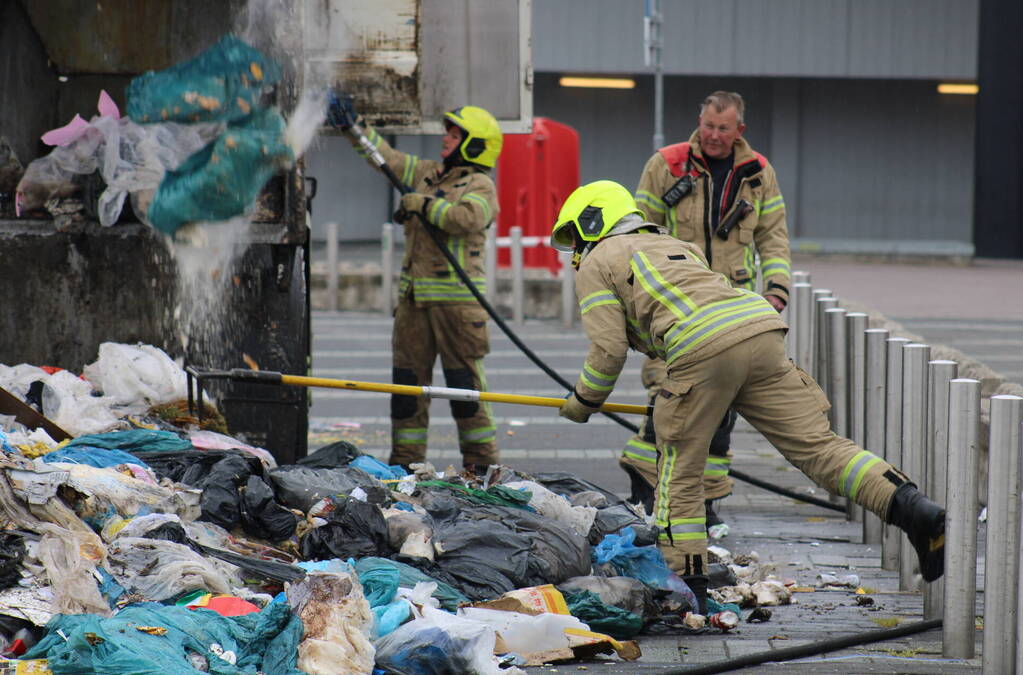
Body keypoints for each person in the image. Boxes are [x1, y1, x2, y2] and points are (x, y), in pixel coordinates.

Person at [552, 180, 944, 612]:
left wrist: (582, 403)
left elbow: (607, 351)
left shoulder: (598, 261)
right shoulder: (675, 244)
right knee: (820, 447)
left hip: (703, 348)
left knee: (679, 474)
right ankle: (913, 509)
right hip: (759, 328)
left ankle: (688, 593)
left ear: (591, 222)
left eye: (573, 237)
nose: (573, 252)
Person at [621, 91, 791, 531]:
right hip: (673, 306)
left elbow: (773, 238)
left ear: (740, 131)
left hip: (730, 309)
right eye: (708, 126)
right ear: (699, 121)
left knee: (723, 405)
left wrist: (776, 291)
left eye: (723, 129)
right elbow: (638, 233)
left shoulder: (758, 175)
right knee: (669, 396)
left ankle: (707, 500)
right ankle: (645, 480)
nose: (713, 137)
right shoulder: (667, 164)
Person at [330, 99, 503, 471]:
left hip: (457, 309)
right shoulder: (426, 173)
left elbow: (468, 217)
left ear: (473, 144)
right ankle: (405, 469)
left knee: (466, 394)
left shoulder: (480, 186)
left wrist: (421, 205)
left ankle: (482, 470)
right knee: (406, 392)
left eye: (454, 134)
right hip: (413, 305)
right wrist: (353, 125)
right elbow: (386, 157)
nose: (445, 139)